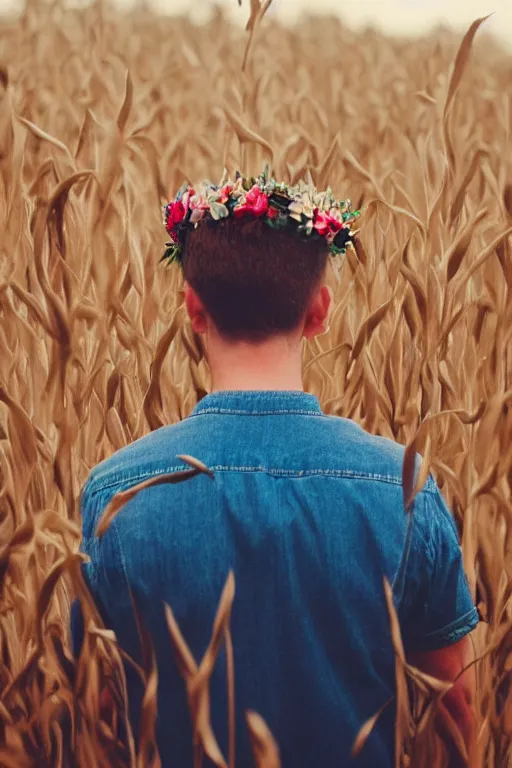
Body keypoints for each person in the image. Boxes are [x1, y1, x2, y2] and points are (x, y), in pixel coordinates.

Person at [72, 170, 479, 767]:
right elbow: (455, 705)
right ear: (320, 310)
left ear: (194, 308)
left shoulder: (117, 493)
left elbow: (95, 707)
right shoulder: (404, 485)